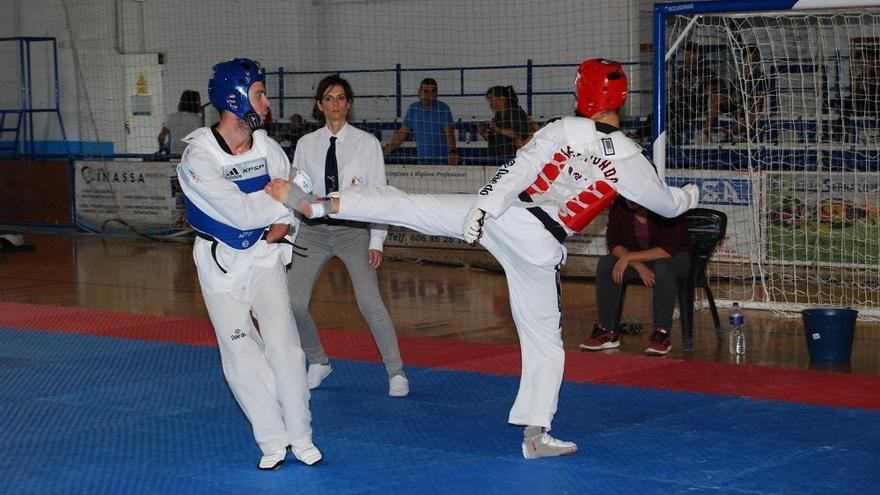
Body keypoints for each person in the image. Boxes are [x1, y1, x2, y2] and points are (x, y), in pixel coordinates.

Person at [266, 59, 700, 459]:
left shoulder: (562, 129)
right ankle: (535, 434)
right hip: (539, 244)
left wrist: (483, 207)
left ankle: (321, 207)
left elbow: (518, 169)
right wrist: (690, 193)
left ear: (581, 95)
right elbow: (667, 205)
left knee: (408, 204)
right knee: (544, 344)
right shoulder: (629, 157)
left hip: (506, 216)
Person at [176, 58, 322, 471]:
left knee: (286, 348)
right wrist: (280, 198)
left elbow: (297, 200)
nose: (267, 101)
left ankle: (301, 434)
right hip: (220, 264)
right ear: (234, 98)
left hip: (264, 258)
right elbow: (239, 215)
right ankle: (272, 439)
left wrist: (286, 216)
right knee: (242, 355)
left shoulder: (268, 148)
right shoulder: (198, 157)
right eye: (259, 93)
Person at [288, 74, 409, 397]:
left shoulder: (367, 144)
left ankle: (395, 371)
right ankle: (318, 361)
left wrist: (376, 241)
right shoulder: (306, 144)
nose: (335, 104)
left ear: (349, 104)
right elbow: (296, 194)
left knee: (370, 303)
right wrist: (290, 237)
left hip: (353, 230)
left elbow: (380, 195)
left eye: (341, 98)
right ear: (319, 105)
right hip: (311, 232)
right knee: (293, 303)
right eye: (329, 99)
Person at [579, 197, 692, 355]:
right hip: (638, 259)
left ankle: (662, 333)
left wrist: (629, 258)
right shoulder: (619, 206)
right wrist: (635, 263)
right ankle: (606, 330)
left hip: (675, 258)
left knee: (662, 267)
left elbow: (667, 250)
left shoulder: (667, 203)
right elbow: (614, 242)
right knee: (606, 264)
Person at [383, 78, 458, 165]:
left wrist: (452, 153)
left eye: (432, 91)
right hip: (422, 163)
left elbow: (450, 134)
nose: (429, 95)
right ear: (419, 92)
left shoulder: (443, 109)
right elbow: (402, 133)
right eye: (426, 91)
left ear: (436, 93)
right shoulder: (413, 108)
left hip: (443, 163)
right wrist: (386, 152)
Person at [701, 46, 768, 143]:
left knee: (753, 115)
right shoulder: (739, 78)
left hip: (750, 109)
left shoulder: (761, 79)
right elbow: (730, 94)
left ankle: (724, 133)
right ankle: (705, 133)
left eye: (753, 61)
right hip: (736, 107)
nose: (750, 64)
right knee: (718, 97)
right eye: (747, 61)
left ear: (757, 62)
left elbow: (760, 100)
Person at [478, 85, 536, 162]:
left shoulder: (516, 113)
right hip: (501, 158)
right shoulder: (498, 116)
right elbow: (493, 140)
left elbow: (519, 135)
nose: (490, 104)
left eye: (492, 100)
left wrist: (497, 128)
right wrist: (483, 133)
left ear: (502, 98)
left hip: (516, 159)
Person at [158, 90, 202, 154]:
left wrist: (162, 148)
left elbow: (161, 136)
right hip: (191, 155)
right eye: (198, 101)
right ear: (193, 103)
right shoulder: (198, 119)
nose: (200, 103)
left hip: (174, 155)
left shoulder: (171, 117)